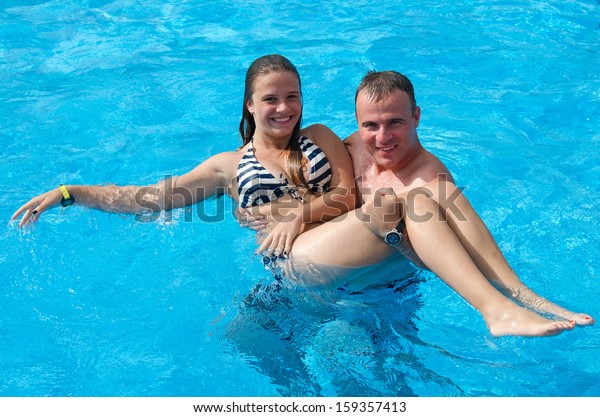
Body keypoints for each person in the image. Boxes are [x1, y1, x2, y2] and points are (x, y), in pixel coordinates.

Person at [242, 70, 595, 337]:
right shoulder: (350, 147)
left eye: (394, 122)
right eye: (371, 125)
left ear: (416, 117)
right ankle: (501, 308)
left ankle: (515, 300)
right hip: (308, 281)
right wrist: (259, 210)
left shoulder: (430, 177)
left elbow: (452, 255)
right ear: (358, 124)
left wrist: (527, 296)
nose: (382, 138)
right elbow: (283, 169)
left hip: (385, 295)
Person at [11, 54, 356, 255]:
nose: (284, 108)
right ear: (249, 105)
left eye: (292, 96)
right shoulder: (229, 166)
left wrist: (294, 214)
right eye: (270, 99)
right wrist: (71, 193)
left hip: (342, 246)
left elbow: (348, 195)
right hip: (295, 268)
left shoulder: (320, 136)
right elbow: (150, 198)